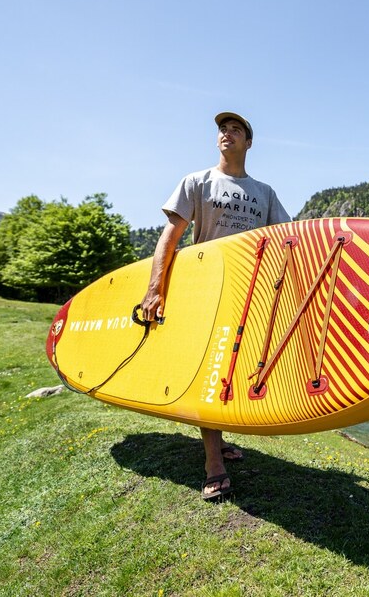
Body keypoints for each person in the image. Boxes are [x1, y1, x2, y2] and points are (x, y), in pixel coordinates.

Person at [139, 110, 291, 501]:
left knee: (231, 371)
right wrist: (155, 288)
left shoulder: (264, 193)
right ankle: (213, 463)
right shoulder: (197, 182)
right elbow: (170, 237)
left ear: (248, 142)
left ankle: (218, 440)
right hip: (205, 288)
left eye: (236, 129)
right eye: (223, 129)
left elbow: (284, 241)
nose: (227, 133)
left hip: (248, 293)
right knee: (211, 370)